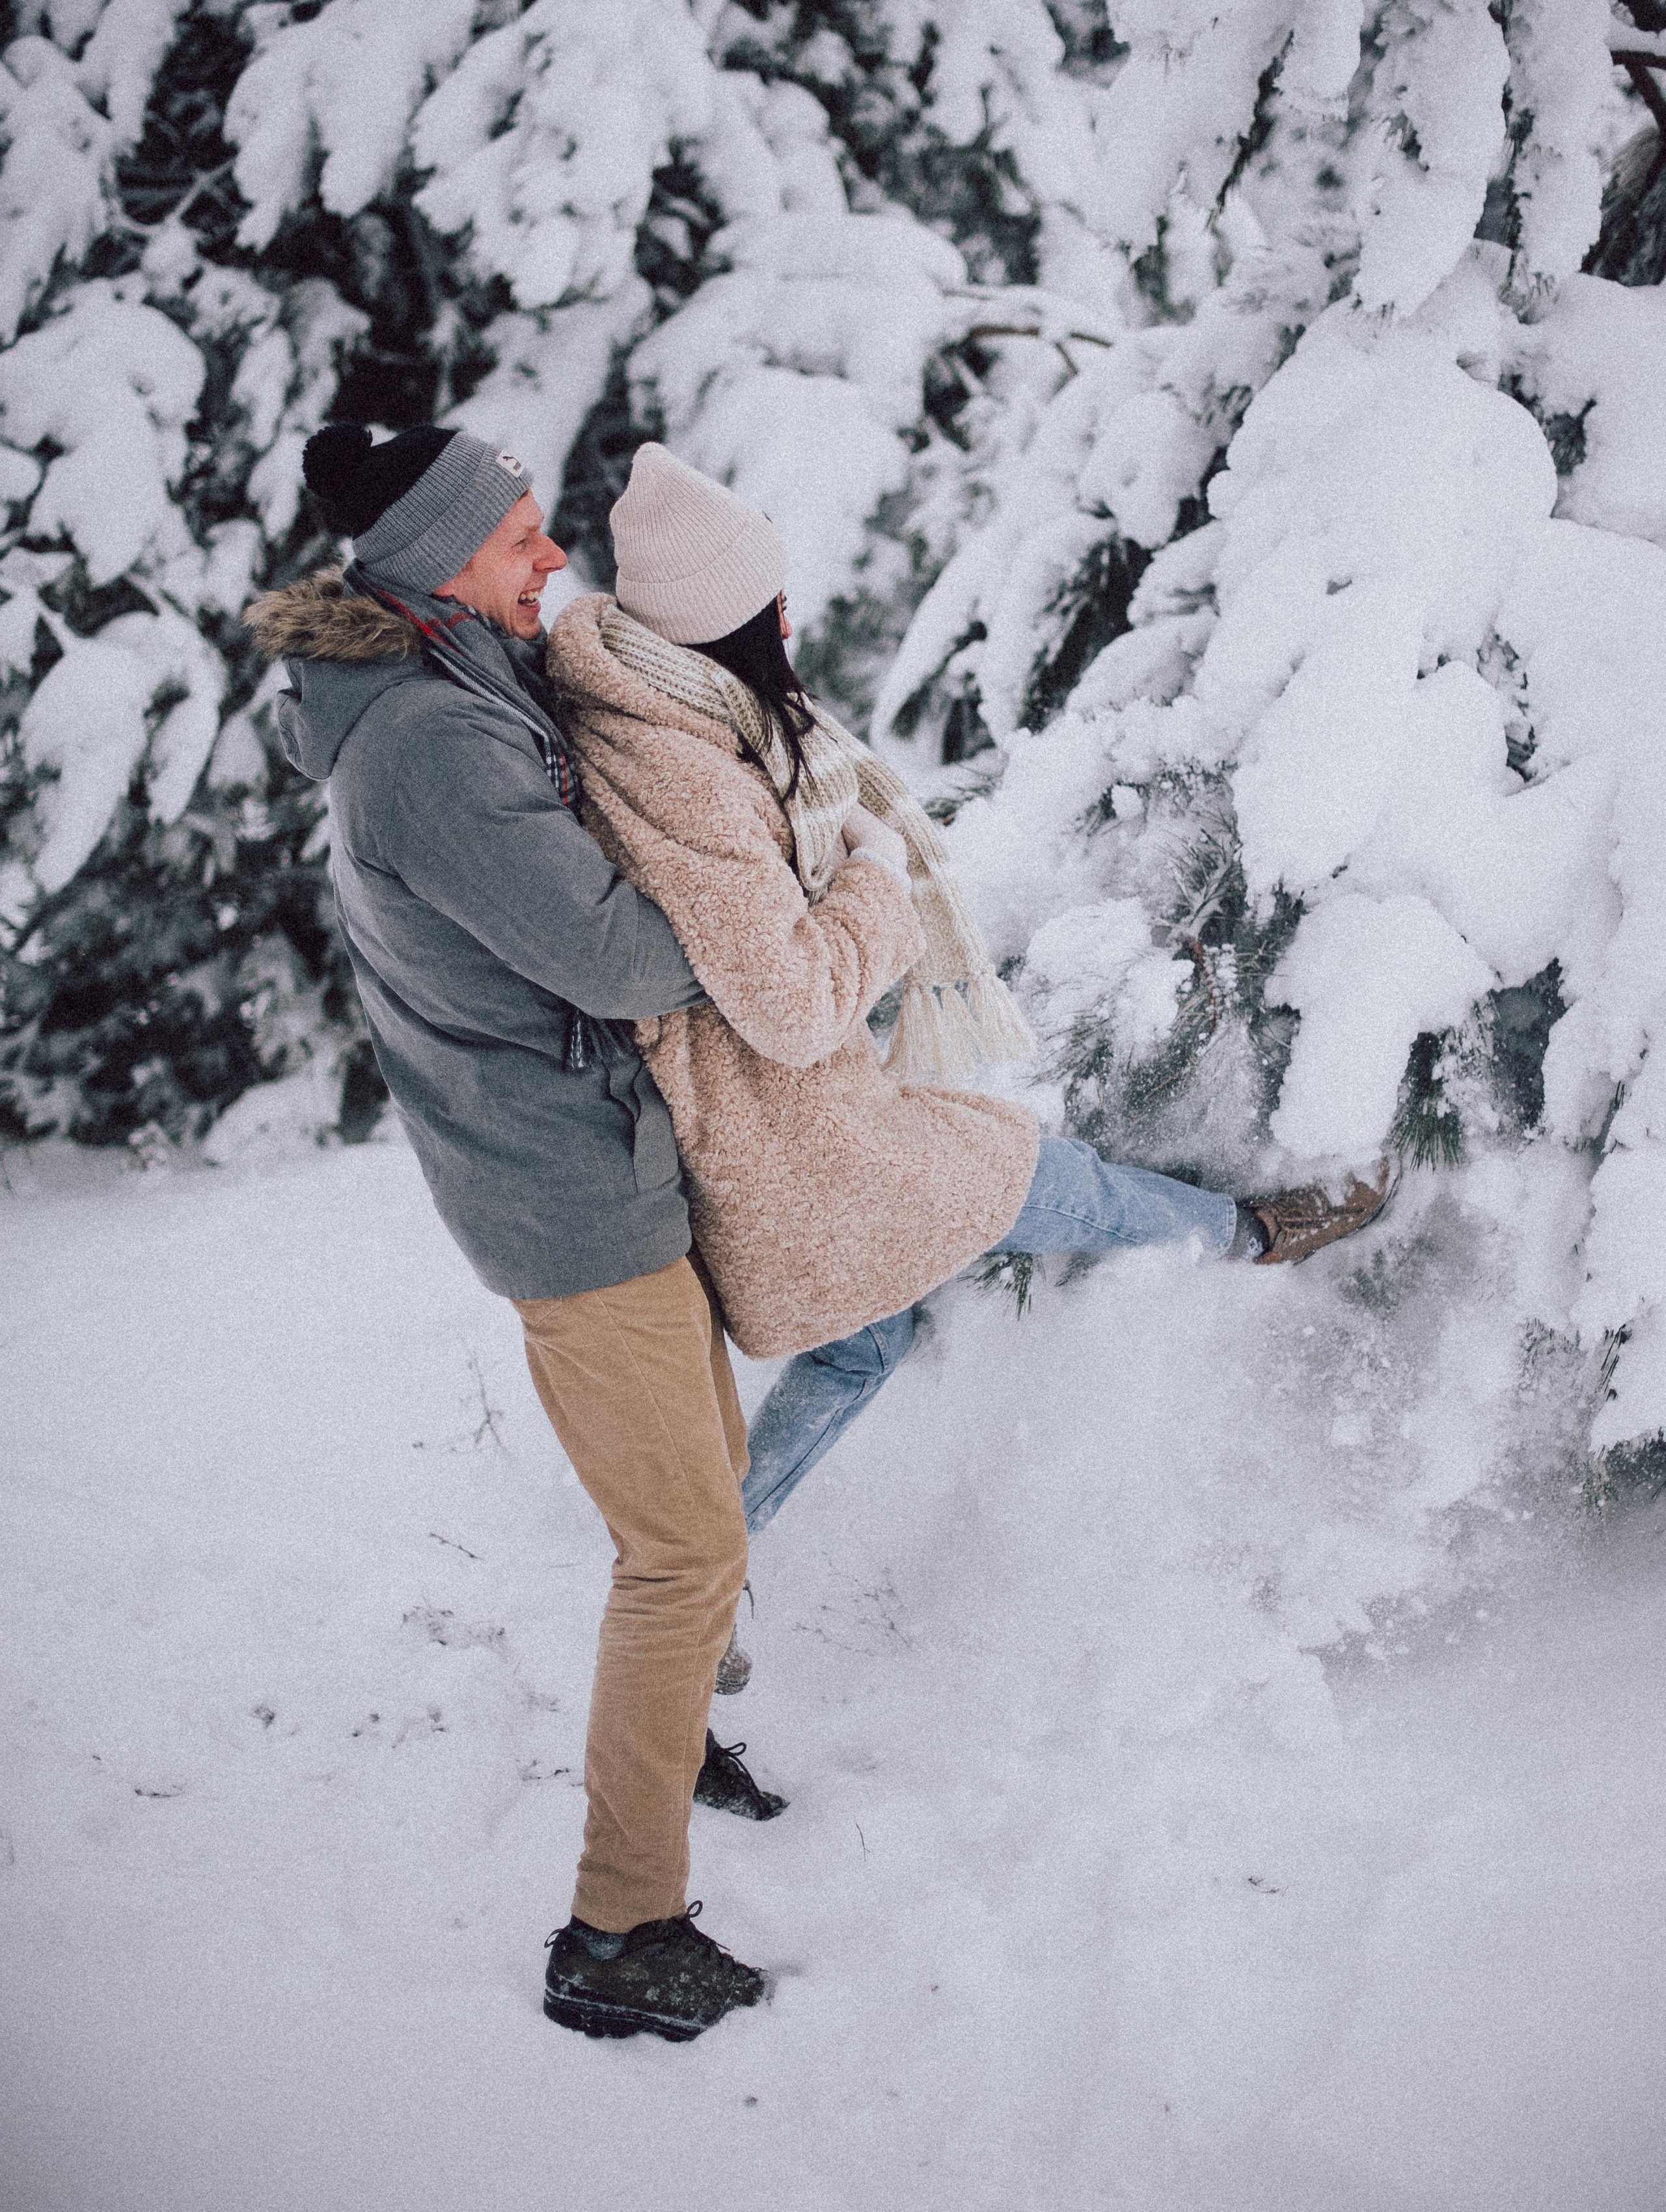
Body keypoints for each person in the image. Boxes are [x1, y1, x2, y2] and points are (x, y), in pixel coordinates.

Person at [545, 444, 1392, 1630]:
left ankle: (700, 1588)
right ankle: (1252, 1233)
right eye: (768, 601)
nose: (789, 620)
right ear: (716, 622)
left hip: (766, 1122)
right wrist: (876, 874)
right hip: (788, 1134)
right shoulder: (681, 771)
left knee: (864, 1344)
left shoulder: (661, 717)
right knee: (1041, 1178)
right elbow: (790, 1004)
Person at [248, 424, 782, 2047]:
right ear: (434, 565)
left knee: (707, 1486)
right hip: (564, 1187)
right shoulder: (424, 739)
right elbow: (615, 956)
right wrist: (764, 931)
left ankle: (674, 1735)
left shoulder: (455, 676)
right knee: (680, 1551)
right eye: (520, 539)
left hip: (589, 1151)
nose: (553, 559)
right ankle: (619, 1933)